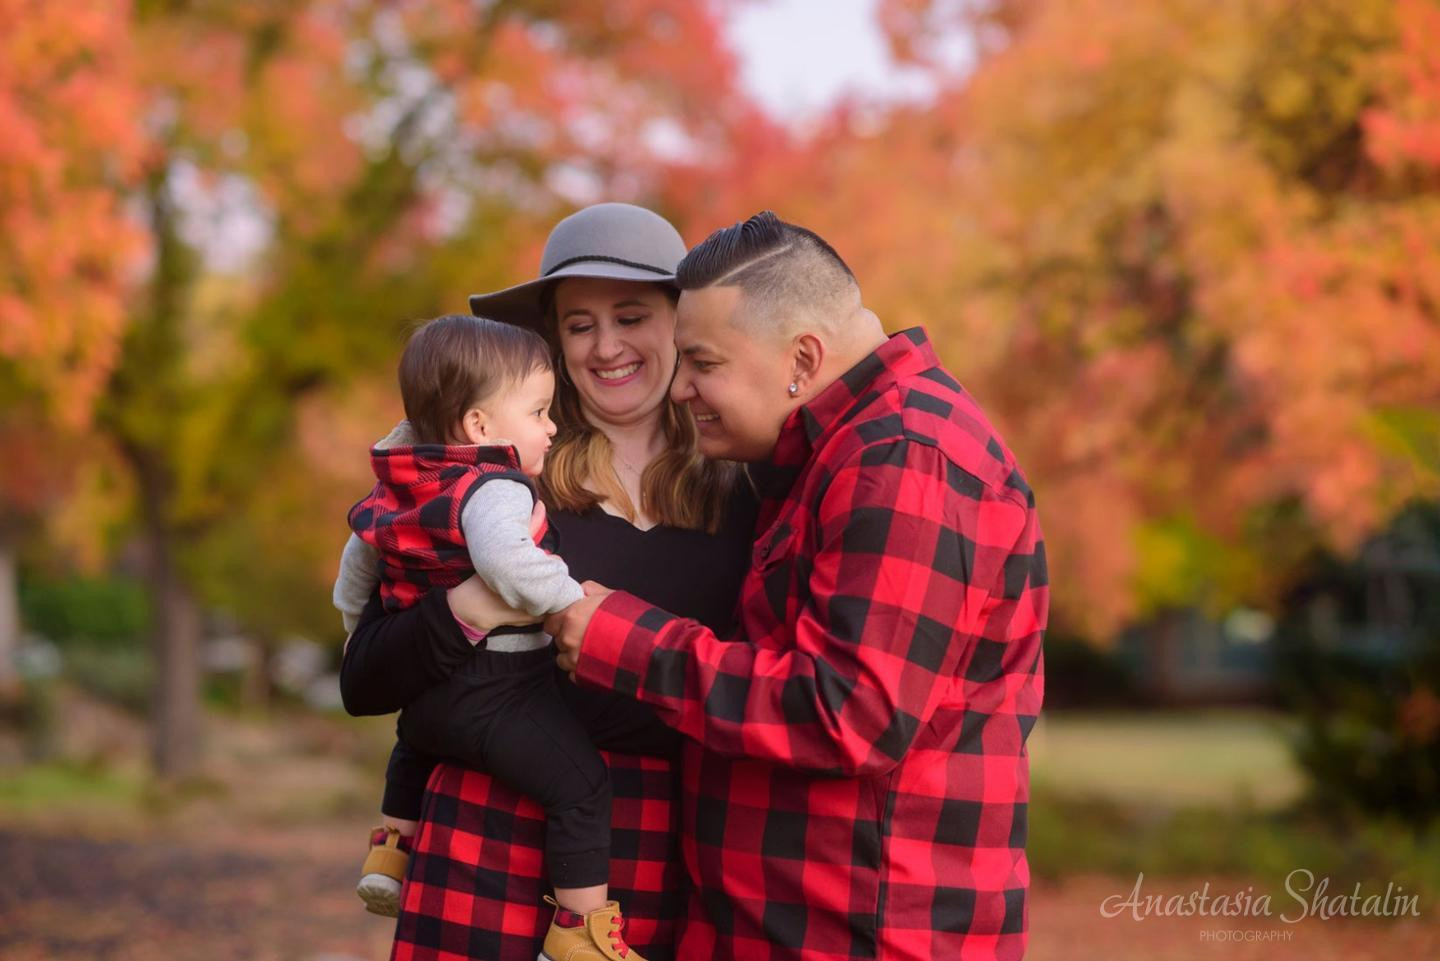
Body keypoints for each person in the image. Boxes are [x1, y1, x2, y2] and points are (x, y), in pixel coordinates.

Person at [546, 211, 1048, 961]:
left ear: (804, 357)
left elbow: (851, 711)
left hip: (859, 933)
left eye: (703, 362)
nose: (680, 388)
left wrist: (626, 639)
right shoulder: (826, 455)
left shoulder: (906, 457)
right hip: (779, 925)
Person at [338, 203, 756, 961]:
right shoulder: (491, 484)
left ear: (678, 322)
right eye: (578, 325)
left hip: (669, 839)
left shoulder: (745, 493)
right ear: (555, 342)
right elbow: (364, 679)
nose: (607, 347)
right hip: (483, 828)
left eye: (631, 316)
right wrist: (467, 606)